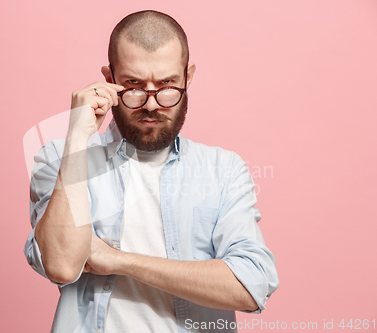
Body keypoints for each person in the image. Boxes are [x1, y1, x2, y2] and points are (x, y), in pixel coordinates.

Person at [24, 10, 279, 333]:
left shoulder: (223, 170)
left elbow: (250, 286)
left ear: (188, 76)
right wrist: (77, 136)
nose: (151, 103)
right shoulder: (60, 159)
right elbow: (60, 264)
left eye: (167, 84)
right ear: (109, 78)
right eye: (133, 85)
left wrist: (118, 260)